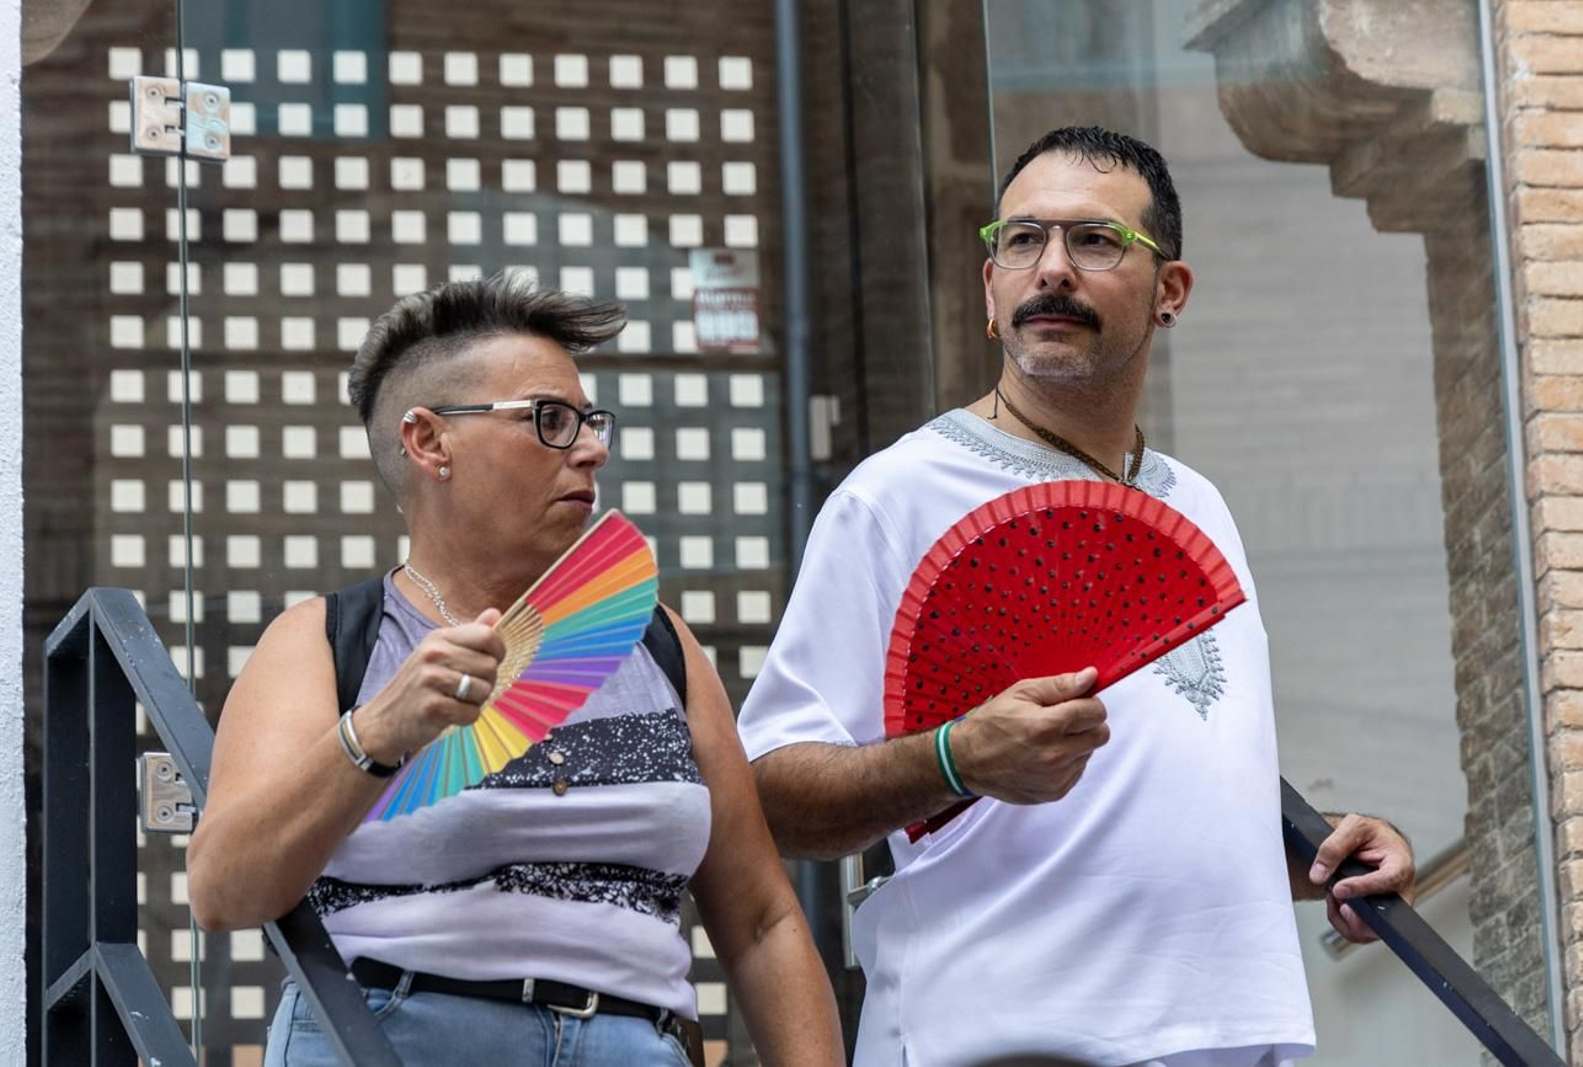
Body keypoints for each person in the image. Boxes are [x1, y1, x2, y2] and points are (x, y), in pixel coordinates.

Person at [736, 127, 1417, 1066]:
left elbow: (1150, 801)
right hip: (1005, 1040)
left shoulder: (1200, 504)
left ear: (1170, 292)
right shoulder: (896, 496)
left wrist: (1321, 859)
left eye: (1095, 241)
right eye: (1021, 241)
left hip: (1237, 1036)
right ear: (989, 291)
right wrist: (957, 756)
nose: (1050, 268)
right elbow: (768, 793)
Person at [186, 274, 846, 1067]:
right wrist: (376, 735)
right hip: (397, 1033)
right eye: (550, 420)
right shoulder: (327, 641)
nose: (591, 447)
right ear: (430, 441)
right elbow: (224, 889)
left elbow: (762, 919)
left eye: (589, 421)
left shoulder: (656, 639)